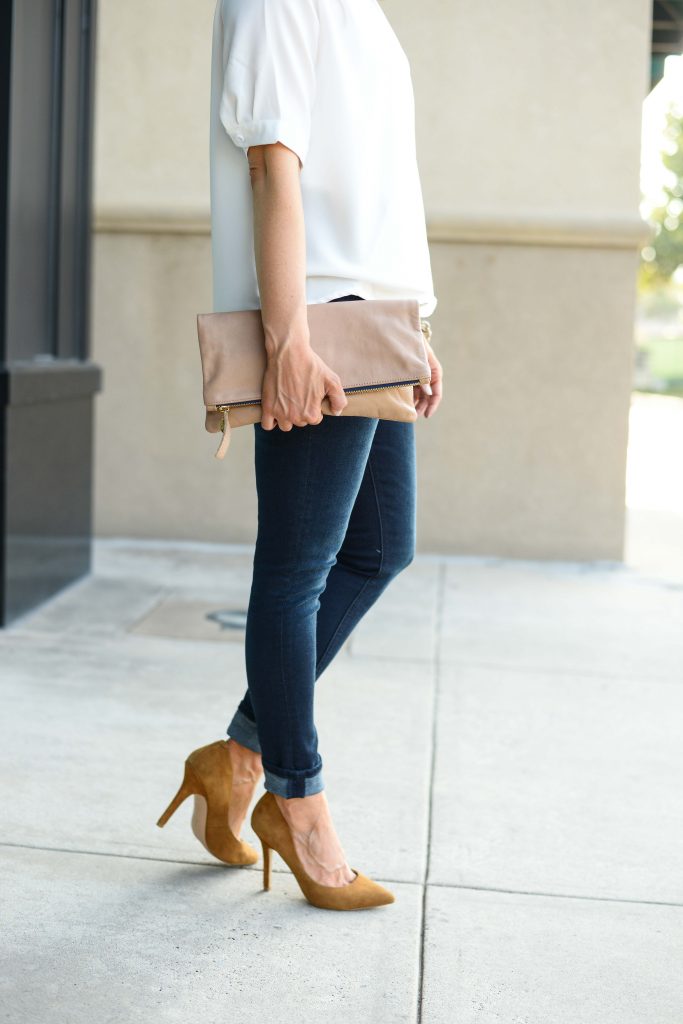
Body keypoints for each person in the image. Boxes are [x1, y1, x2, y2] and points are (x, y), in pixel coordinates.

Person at [157, 0, 443, 911]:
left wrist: (414, 327)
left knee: (378, 548)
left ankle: (237, 754)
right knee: (297, 572)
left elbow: (377, 177)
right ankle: (300, 803)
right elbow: (271, 161)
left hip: (369, 314)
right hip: (316, 316)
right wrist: (286, 339)